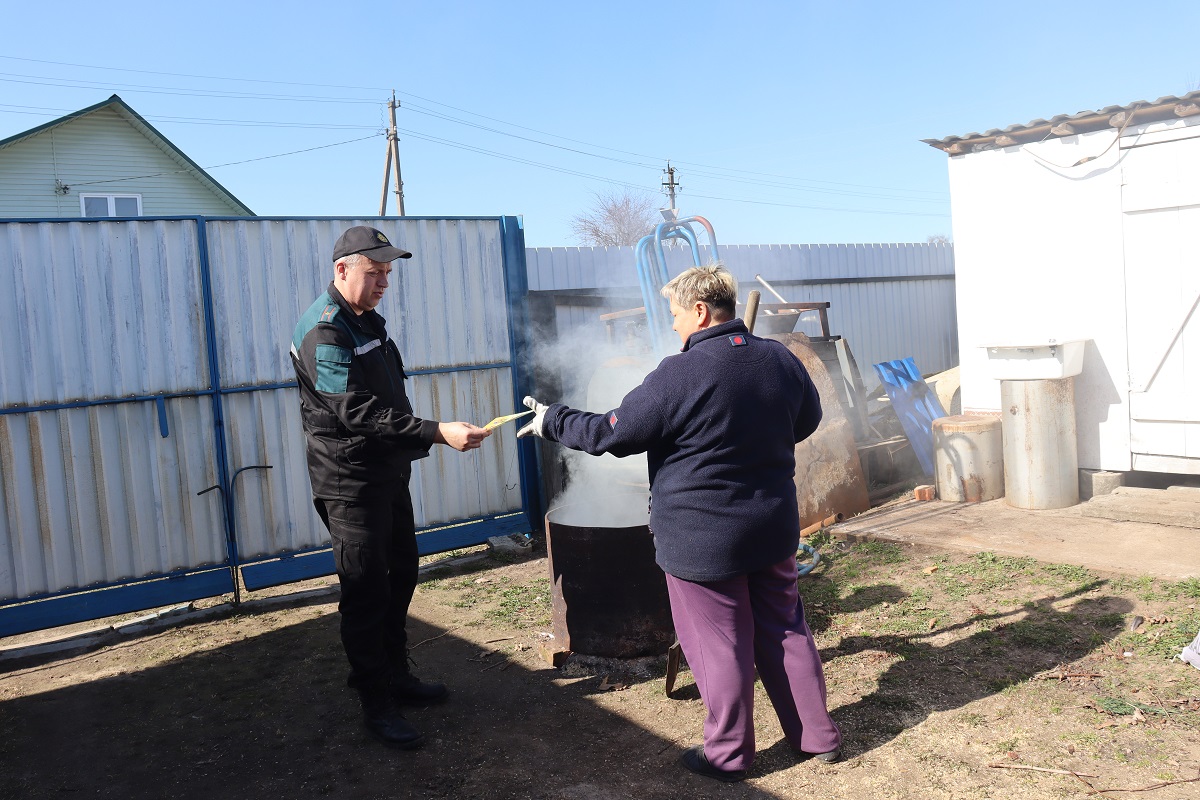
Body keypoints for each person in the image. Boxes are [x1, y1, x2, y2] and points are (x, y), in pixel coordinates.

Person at [517, 264, 842, 781]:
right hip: (773, 527)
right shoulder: (778, 358)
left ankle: (728, 756)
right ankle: (817, 736)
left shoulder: (681, 372)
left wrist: (553, 419)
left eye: (674, 314)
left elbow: (610, 434)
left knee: (720, 648)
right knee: (785, 630)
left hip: (703, 541)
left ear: (699, 311)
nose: (672, 326)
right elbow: (807, 420)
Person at [290, 225, 491, 750]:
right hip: (349, 480)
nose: (383, 282)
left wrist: (417, 439)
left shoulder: (365, 320)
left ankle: (397, 675)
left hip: (385, 470)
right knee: (365, 589)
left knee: (401, 572)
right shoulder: (325, 330)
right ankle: (375, 701)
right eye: (374, 273)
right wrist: (436, 432)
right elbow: (353, 410)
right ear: (342, 270)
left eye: (388, 274)